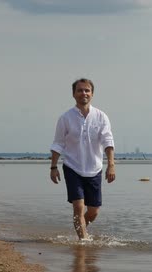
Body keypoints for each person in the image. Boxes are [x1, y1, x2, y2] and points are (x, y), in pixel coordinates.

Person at [50, 78, 116, 240]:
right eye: (80, 90)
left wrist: (111, 165)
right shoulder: (65, 118)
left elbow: (108, 141)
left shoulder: (101, 117)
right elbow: (58, 144)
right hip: (72, 167)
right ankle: (84, 242)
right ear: (74, 94)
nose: (83, 93)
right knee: (78, 207)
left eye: (87, 90)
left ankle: (80, 229)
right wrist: (53, 167)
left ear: (92, 94)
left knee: (93, 211)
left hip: (94, 168)